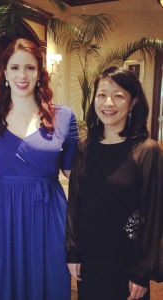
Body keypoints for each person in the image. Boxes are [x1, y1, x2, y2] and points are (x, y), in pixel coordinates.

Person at [0, 38, 79, 300]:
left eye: (30, 68)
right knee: (1, 280)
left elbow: (73, 173)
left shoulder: (64, 116)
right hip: (1, 213)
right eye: (15, 68)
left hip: (47, 212)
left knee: (49, 278)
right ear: (6, 73)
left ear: (39, 73)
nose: (22, 75)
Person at [65, 66, 163, 300]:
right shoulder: (85, 146)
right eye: (102, 95)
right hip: (90, 257)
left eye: (118, 95)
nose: (108, 102)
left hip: (127, 260)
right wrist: (73, 250)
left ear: (133, 102)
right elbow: (75, 202)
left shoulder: (146, 150)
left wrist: (142, 271)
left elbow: (153, 215)